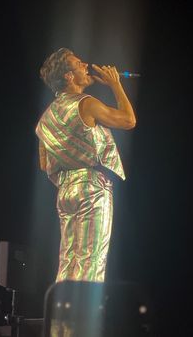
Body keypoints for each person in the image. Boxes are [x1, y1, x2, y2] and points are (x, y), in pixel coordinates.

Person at [36, 47, 137, 285]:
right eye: (79, 64)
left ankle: (61, 321)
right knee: (91, 261)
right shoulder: (86, 103)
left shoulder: (45, 119)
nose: (86, 66)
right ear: (69, 76)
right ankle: (80, 322)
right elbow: (128, 120)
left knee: (69, 261)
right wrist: (115, 84)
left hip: (66, 191)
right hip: (92, 186)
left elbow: (44, 164)